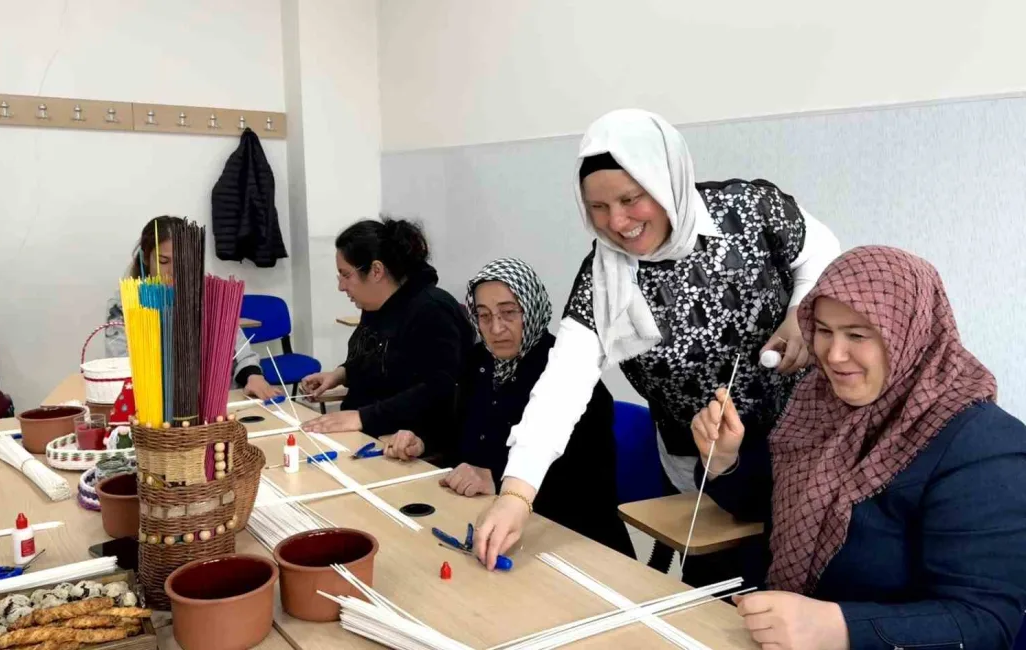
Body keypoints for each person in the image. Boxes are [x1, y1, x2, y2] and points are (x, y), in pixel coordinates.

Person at [475, 109, 841, 576]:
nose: (618, 222)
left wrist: (799, 312)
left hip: (803, 441)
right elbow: (560, 387)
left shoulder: (749, 210)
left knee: (806, 578)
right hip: (704, 466)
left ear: (666, 181)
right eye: (599, 208)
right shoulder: (605, 280)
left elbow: (820, 249)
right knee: (716, 594)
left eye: (631, 199)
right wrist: (516, 496)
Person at [693, 246, 1026, 649]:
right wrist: (725, 459)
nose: (833, 355)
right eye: (824, 331)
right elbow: (771, 503)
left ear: (910, 334)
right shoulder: (818, 402)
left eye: (857, 335)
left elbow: (984, 623)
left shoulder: (984, 447)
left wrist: (840, 627)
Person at [384, 258, 634, 557]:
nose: (496, 328)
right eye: (484, 315)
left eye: (508, 313)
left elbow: (584, 483)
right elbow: (460, 433)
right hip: (486, 521)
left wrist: (498, 477)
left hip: (573, 539)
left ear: (532, 308)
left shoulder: (568, 376)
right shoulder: (479, 361)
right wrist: (422, 440)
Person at [299, 218, 472, 457]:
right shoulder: (373, 305)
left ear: (377, 271)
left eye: (345, 275)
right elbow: (374, 358)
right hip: (363, 434)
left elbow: (438, 390)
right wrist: (341, 374)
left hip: (404, 447)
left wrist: (362, 417)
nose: (341, 286)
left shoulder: (432, 310)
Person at [105, 216, 282, 400]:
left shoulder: (209, 295)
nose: (174, 271)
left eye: (183, 261)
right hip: (154, 403)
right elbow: (120, 365)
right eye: (164, 261)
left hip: (217, 402)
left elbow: (241, 351)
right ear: (145, 258)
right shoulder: (124, 304)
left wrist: (253, 376)